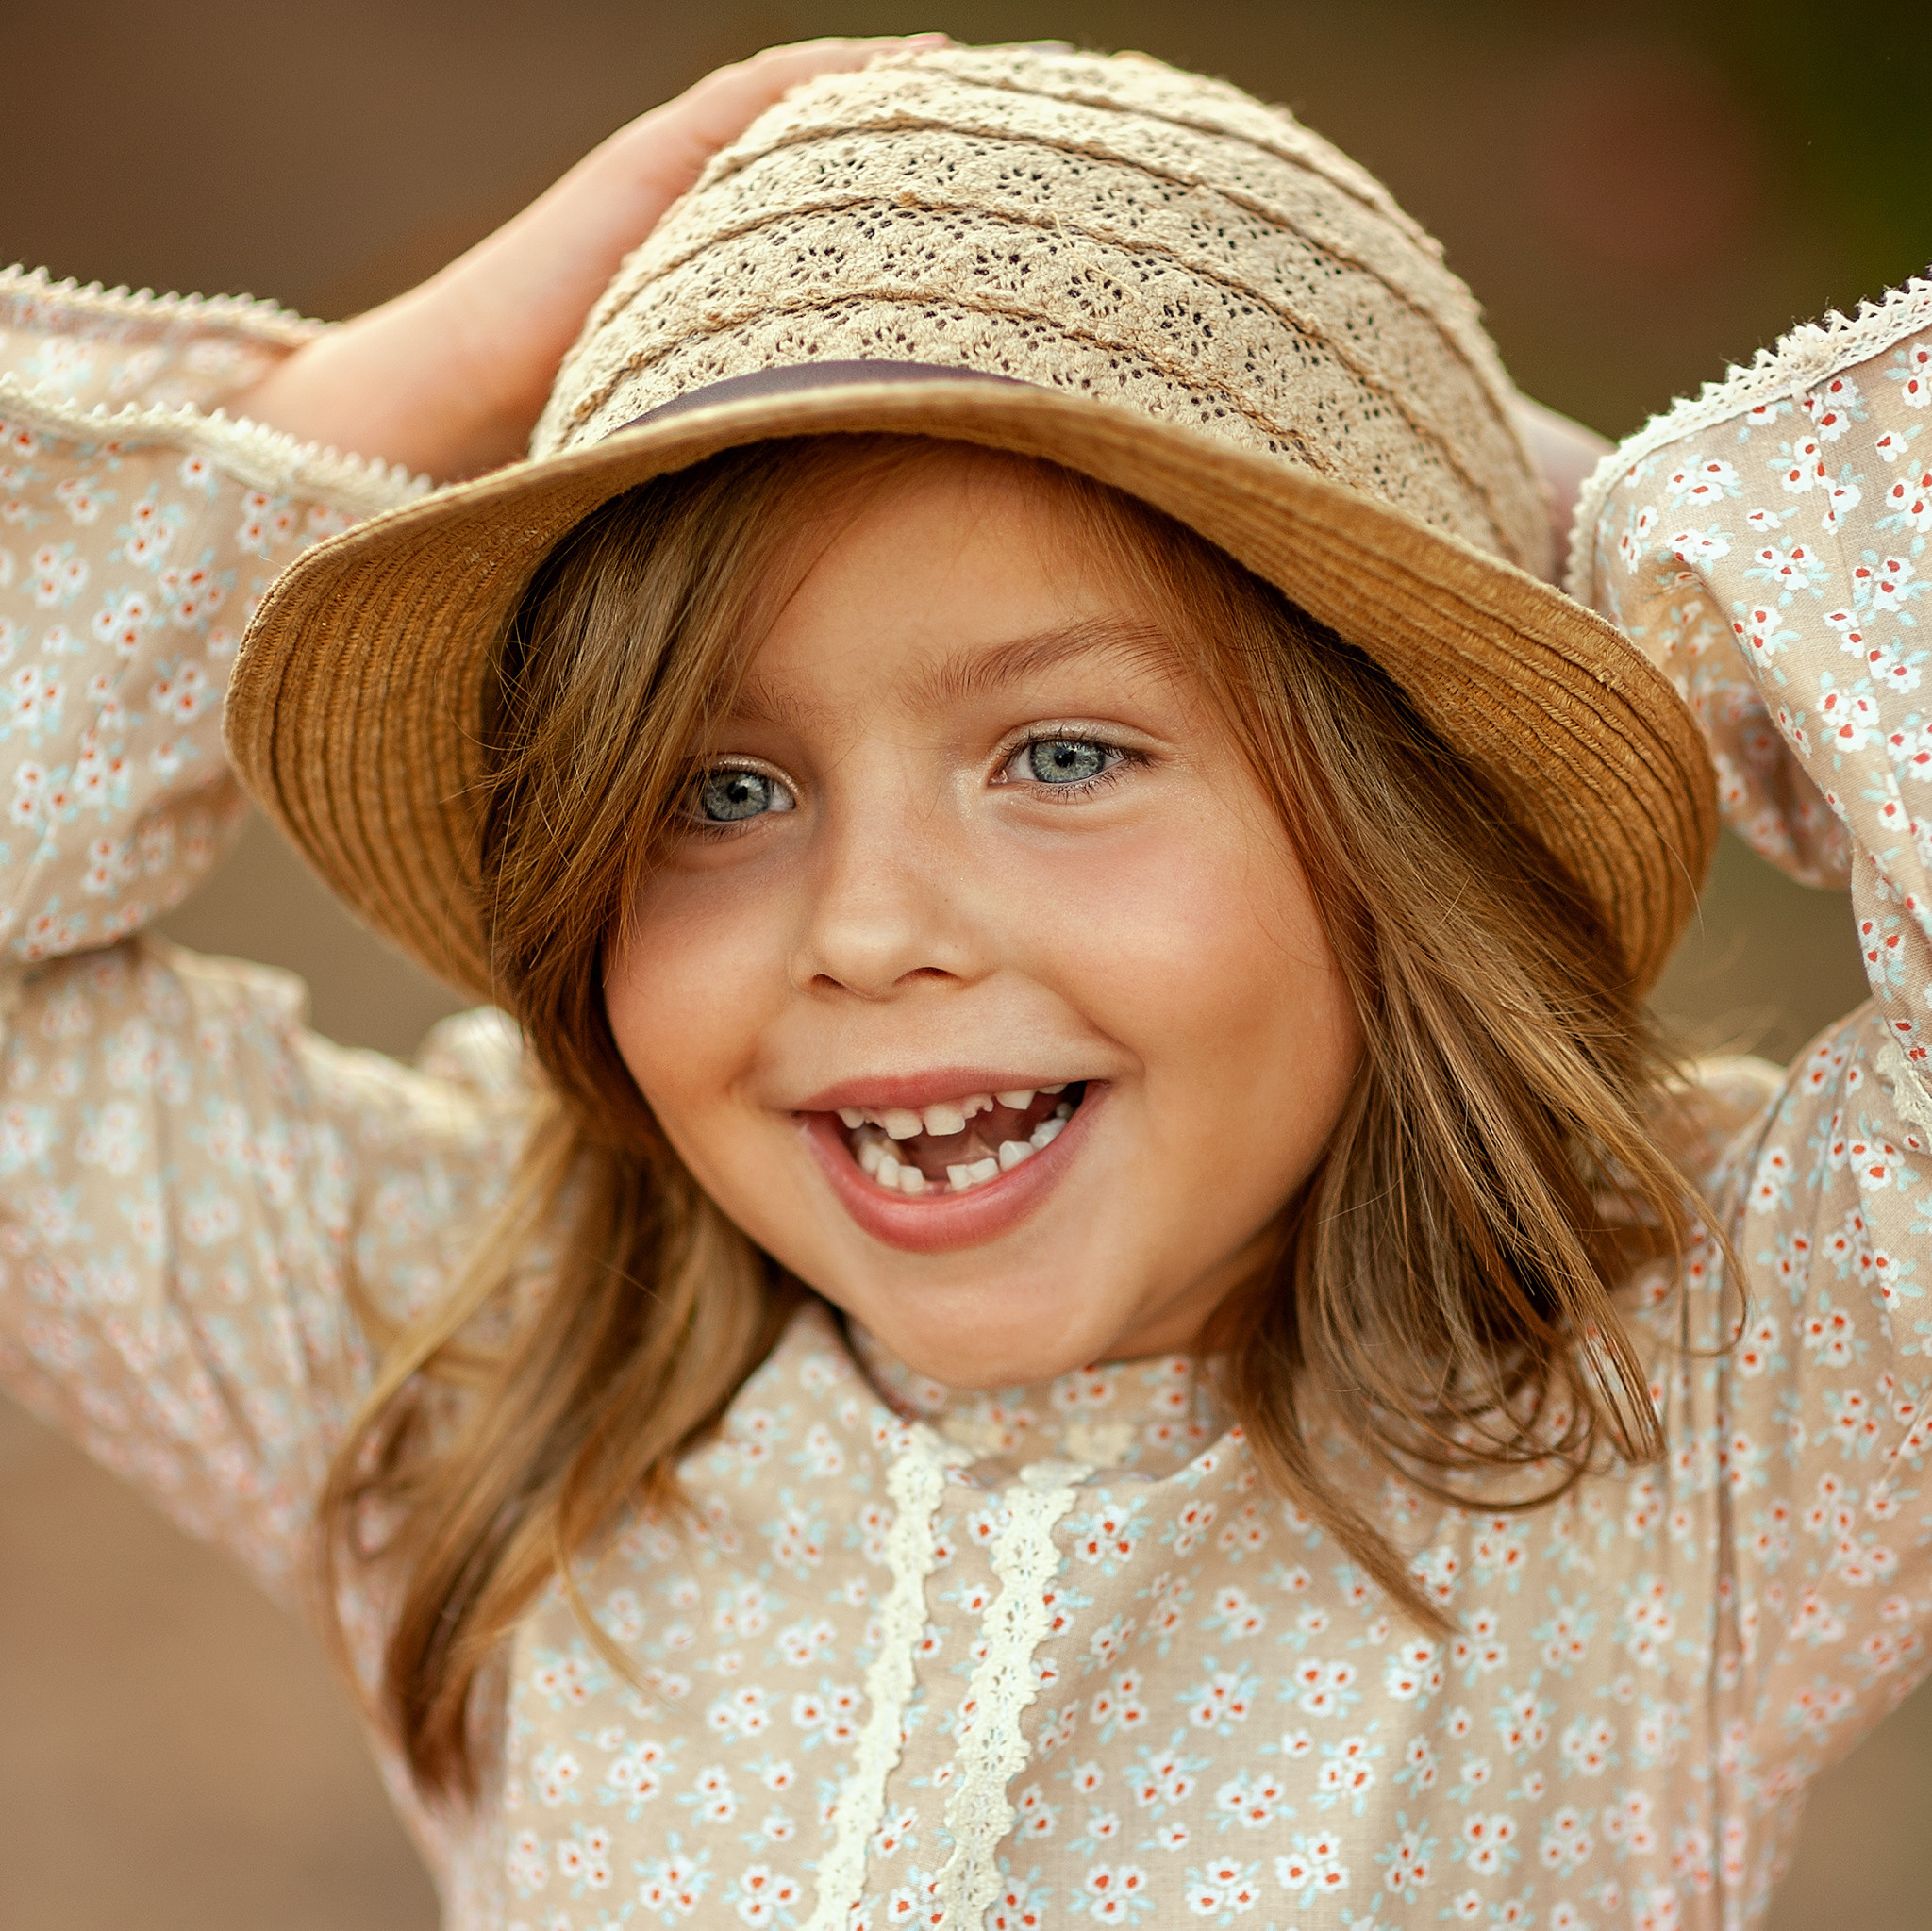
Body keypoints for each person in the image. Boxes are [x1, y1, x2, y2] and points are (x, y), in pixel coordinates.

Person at [2, 34, 1926, 1931]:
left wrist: (1626, 548)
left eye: (1063, 757)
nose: (866, 927)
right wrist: (404, 377)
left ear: (1398, 838)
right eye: (722, 790)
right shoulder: (477, 1369)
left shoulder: (1693, 1423)